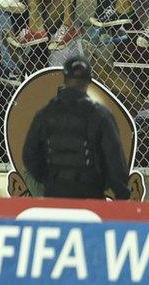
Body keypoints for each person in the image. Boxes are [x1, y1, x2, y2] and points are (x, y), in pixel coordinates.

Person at [23, 55, 132, 199]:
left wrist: (48, 180)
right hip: (90, 194)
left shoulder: (44, 114)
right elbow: (114, 160)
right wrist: (121, 193)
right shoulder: (100, 115)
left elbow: (29, 155)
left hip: (55, 193)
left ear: (65, 79)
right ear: (89, 81)